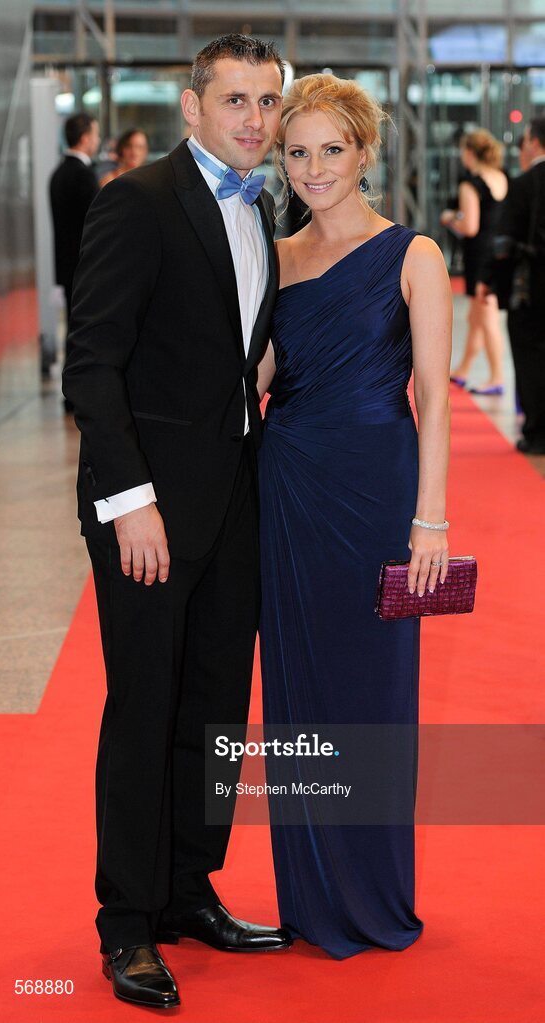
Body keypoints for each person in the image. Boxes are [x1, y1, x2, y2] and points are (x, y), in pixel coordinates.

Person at [62, 35, 291, 1010]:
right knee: (144, 709)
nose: (253, 117)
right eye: (233, 98)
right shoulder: (137, 201)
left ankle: (188, 890)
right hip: (148, 511)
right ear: (190, 105)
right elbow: (93, 365)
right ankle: (125, 926)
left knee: (212, 712)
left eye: (266, 101)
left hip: (233, 494)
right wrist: (130, 504)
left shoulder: (262, 202)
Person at [255, 73, 452, 959]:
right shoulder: (273, 254)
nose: (312, 168)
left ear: (364, 152)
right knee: (297, 693)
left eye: (330, 149)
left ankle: (373, 891)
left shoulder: (413, 253)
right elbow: (255, 376)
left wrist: (431, 522)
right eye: (296, 152)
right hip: (288, 489)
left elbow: (436, 402)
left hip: (377, 492)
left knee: (372, 692)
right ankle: (310, 895)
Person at [477, 116, 545, 454]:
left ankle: (537, 434)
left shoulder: (525, 185)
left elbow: (503, 242)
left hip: (532, 289)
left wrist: (490, 281)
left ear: (534, 142)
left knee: (531, 358)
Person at [440, 129, 508, 395]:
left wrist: (449, 218)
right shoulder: (502, 177)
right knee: (476, 317)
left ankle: (496, 377)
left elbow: (469, 226)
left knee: (487, 317)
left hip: (480, 257)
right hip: (498, 253)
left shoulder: (471, 184)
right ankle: (464, 369)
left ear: (469, 153)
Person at [49, 113, 100, 411]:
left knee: (73, 328)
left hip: (67, 267)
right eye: (94, 135)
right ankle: (77, 393)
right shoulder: (81, 174)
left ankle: (72, 391)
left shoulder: (59, 173)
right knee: (81, 331)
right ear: (83, 138)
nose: (96, 140)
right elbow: (94, 224)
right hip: (83, 268)